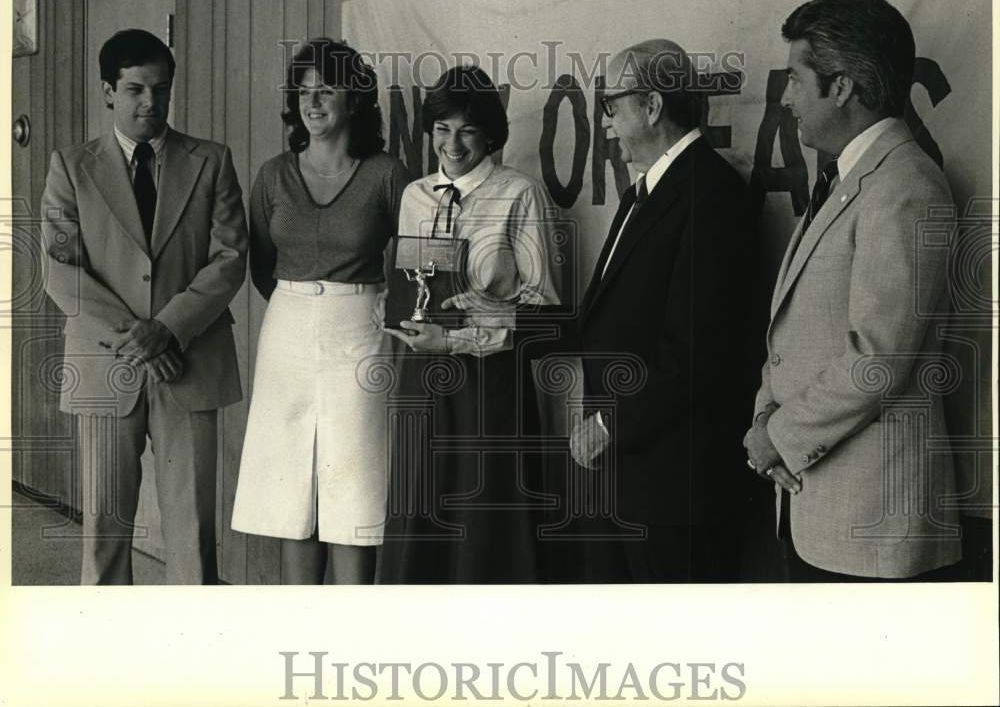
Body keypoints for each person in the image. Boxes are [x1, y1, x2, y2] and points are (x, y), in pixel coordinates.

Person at [743, 0, 962, 581]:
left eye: (795, 78)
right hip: (822, 510)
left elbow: (878, 357)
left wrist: (777, 437)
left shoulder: (905, 185)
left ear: (841, 86)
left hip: (871, 528)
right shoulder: (853, 179)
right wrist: (766, 421)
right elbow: (793, 334)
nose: (786, 97)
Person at [41, 28, 248, 584]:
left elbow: (229, 259)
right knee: (105, 528)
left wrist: (169, 328)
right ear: (108, 91)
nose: (150, 103)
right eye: (134, 89)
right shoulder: (71, 167)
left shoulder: (212, 161)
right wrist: (142, 337)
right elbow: (62, 272)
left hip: (192, 360)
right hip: (107, 364)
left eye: (161, 89)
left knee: (193, 528)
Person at [571, 39, 758, 583]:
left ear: (652, 106)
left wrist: (608, 424)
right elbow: (605, 318)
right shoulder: (643, 194)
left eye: (612, 106)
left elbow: (697, 353)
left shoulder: (711, 194)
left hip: (674, 491)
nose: (605, 124)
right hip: (626, 476)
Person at [231, 39, 411, 584]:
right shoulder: (273, 174)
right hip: (287, 329)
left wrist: (366, 309)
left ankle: (352, 635)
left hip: (359, 330)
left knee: (352, 487)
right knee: (293, 492)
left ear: (353, 100)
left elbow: (413, 263)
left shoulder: (386, 174)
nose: (313, 103)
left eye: (326, 90)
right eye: (305, 91)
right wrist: (304, 305)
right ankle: (301, 629)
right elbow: (262, 264)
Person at [381, 65, 560, 583]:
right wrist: (392, 313)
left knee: (485, 524)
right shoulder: (414, 195)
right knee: (422, 513)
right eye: (441, 128)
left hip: (489, 383)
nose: (451, 143)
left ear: (490, 134)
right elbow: (412, 285)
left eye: (466, 129)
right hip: (422, 382)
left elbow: (542, 308)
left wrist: (455, 339)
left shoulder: (519, 193)